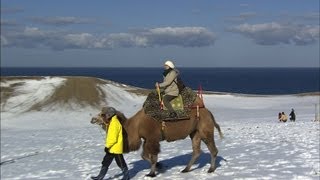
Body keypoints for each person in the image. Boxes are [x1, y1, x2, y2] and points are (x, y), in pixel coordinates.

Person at [91, 107, 130, 180]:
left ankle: (126, 176)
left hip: (115, 148)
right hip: (111, 148)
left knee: (120, 163)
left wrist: (107, 146)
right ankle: (100, 176)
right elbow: (106, 125)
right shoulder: (112, 121)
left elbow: (112, 138)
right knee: (105, 162)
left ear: (109, 115)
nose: (103, 117)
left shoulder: (114, 124)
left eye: (104, 115)